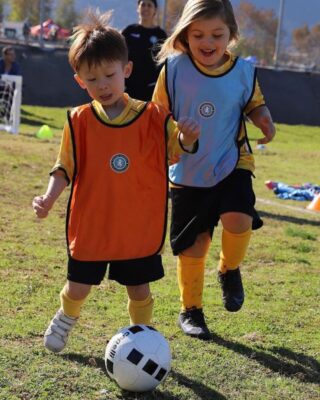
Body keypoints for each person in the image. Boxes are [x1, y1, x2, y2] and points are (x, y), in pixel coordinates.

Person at [32, 10, 200, 354]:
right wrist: (49, 198)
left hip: (136, 223)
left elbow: (176, 150)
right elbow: (64, 166)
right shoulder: (78, 121)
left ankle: (143, 336)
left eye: (110, 75)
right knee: (78, 286)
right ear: (80, 80)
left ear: (126, 70)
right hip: (93, 221)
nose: (103, 85)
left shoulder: (153, 116)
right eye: (92, 79)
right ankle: (65, 317)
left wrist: (186, 138)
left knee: (139, 288)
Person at [153, 0, 276, 340]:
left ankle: (229, 269)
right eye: (198, 35)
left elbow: (254, 103)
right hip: (187, 170)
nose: (208, 42)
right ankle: (191, 310)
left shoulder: (243, 71)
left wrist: (263, 119)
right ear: (185, 35)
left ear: (231, 35)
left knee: (239, 218)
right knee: (195, 245)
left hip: (232, 159)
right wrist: (177, 138)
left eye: (217, 34)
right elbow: (157, 117)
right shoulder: (173, 70)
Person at [122, 0, 167, 100]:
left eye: (149, 5)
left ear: (155, 10)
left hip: (152, 89)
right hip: (130, 88)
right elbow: (118, 54)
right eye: (143, 5)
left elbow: (165, 61)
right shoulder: (129, 31)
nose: (146, 8)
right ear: (138, 8)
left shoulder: (161, 35)